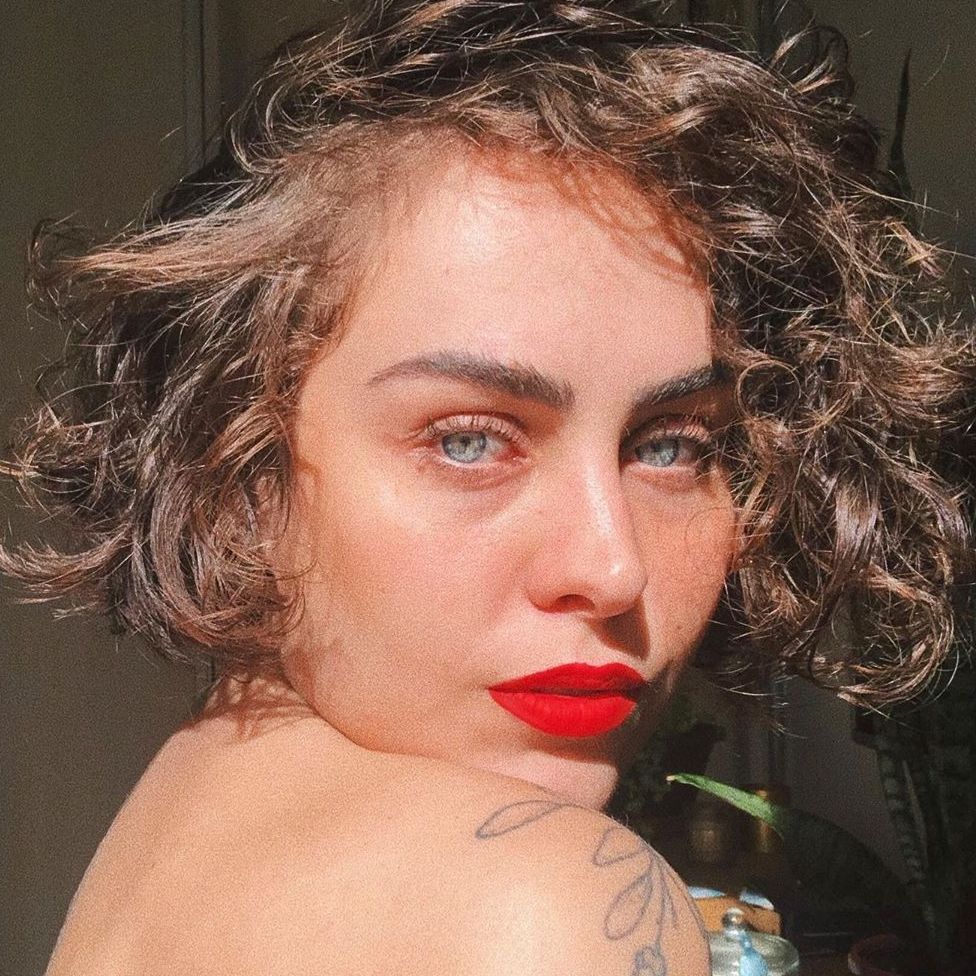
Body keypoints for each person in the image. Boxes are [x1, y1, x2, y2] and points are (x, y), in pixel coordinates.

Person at [3, 1, 973, 973]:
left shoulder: (186, 820)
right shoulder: (545, 902)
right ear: (237, 474)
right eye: (468, 441)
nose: (611, 567)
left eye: (674, 447)